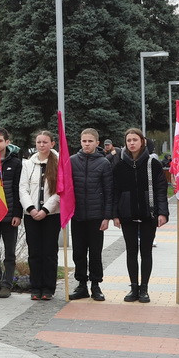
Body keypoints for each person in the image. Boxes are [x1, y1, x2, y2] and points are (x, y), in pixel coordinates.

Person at [111, 127, 169, 303]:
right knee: (130, 251)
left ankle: (144, 289)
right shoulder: (119, 164)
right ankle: (133, 287)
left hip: (148, 213)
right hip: (127, 214)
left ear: (142, 141)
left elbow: (161, 189)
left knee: (145, 252)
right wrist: (115, 214)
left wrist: (163, 212)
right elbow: (115, 191)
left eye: (135, 140)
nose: (132, 143)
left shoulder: (153, 163)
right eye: (129, 140)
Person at [69, 128, 113, 301]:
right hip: (77, 215)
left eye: (90, 141)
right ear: (80, 142)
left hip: (96, 216)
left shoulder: (104, 163)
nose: (87, 144)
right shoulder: (72, 161)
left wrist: (106, 216)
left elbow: (109, 191)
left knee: (95, 252)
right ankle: (81, 284)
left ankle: (95, 284)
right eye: (84, 141)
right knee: (78, 252)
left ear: (97, 143)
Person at [19, 130, 62, 300]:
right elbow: (23, 188)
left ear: (52, 144)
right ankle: (35, 287)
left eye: (45, 142)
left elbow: (59, 191)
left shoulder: (58, 163)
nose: (41, 145)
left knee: (49, 252)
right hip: (31, 215)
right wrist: (31, 208)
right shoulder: (28, 164)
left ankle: (48, 288)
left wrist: (45, 210)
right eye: (38, 142)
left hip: (51, 215)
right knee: (34, 252)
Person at [0, 127, 24, 298]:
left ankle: (7, 284)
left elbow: (18, 190)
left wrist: (17, 214)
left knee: (9, 253)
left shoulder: (15, 163)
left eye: (0, 141)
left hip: (9, 216)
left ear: (7, 142)